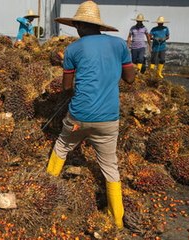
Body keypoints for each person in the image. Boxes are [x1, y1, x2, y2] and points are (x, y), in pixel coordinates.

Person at [46, 0, 135, 229]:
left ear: (78, 25)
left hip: (79, 117)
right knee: (109, 165)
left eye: (76, 25)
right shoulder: (119, 45)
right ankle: (116, 219)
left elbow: (67, 87)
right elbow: (130, 79)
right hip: (108, 119)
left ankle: (43, 194)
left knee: (62, 147)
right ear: (99, 26)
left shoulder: (73, 49)